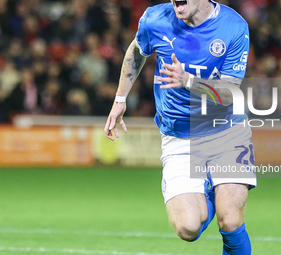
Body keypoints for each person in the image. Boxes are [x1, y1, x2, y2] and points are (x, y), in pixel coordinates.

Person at [104, 0, 257, 254]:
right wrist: (120, 98)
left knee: (230, 219)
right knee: (188, 228)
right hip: (178, 134)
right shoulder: (155, 19)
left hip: (225, 130)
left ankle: (221, 196)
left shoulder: (234, 26)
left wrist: (188, 80)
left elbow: (230, 92)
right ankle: (211, 191)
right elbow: (136, 50)